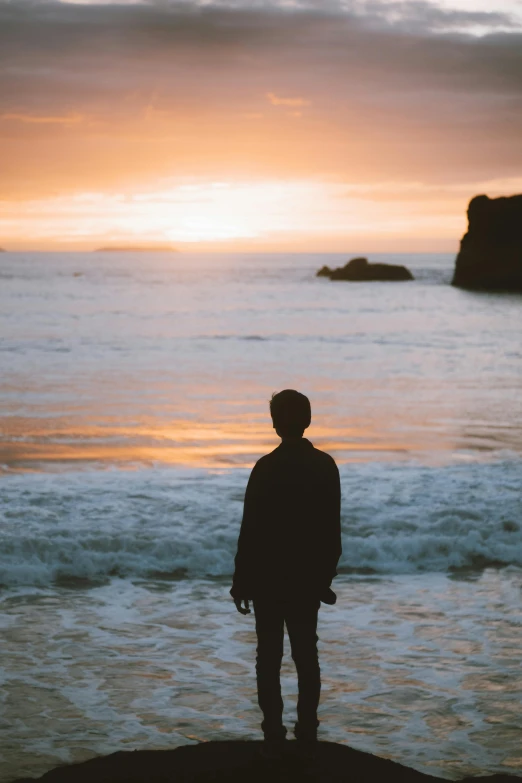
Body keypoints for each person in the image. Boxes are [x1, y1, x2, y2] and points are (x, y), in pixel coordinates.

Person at [230, 389, 342, 759]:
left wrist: (240, 581)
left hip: (267, 578)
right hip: (307, 579)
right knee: (306, 654)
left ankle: (273, 731)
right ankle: (307, 728)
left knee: (269, 656)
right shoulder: (326, 465)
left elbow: (251, 530)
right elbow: (332, 531)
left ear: (275, 423)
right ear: (307, 420)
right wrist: (324, 577)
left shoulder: (265, 467)